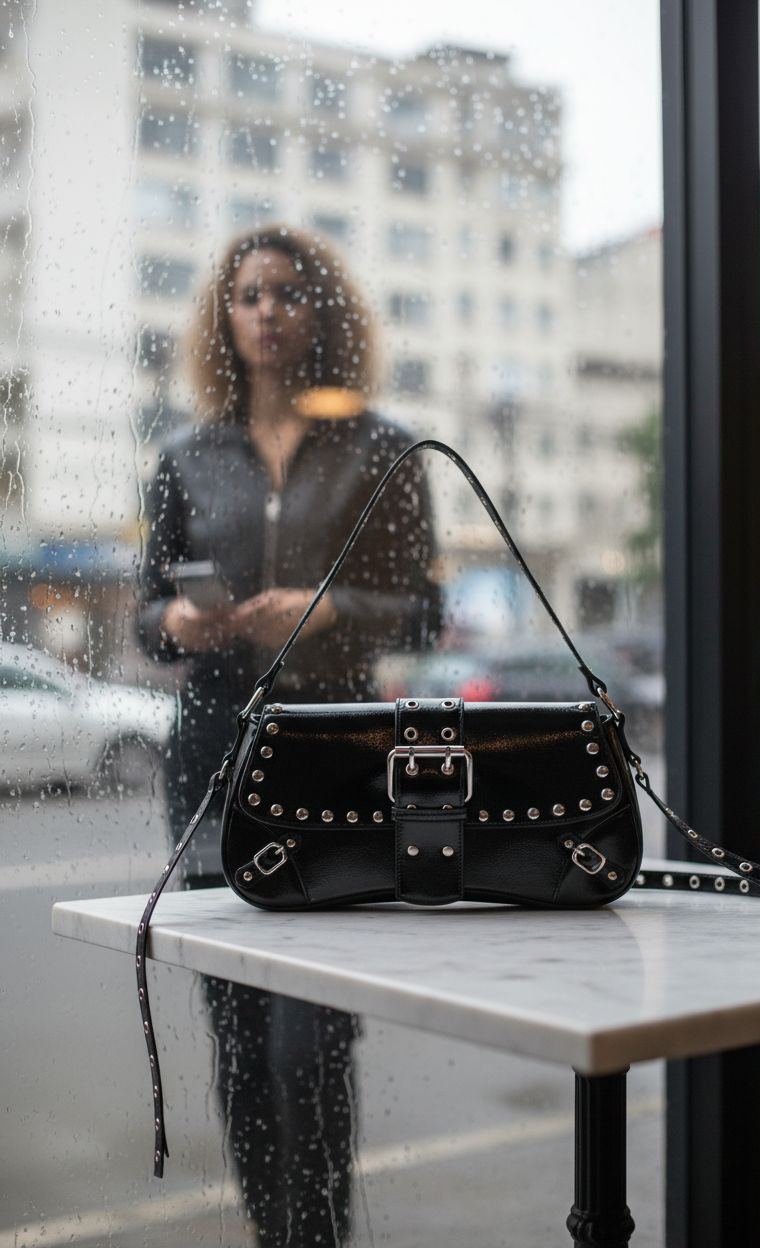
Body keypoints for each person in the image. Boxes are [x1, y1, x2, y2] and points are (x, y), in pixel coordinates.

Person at [137, 225, 441, 1244]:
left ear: (325, 311)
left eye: (288, 292)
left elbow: (423, 611)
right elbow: (146, 611)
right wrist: (175, 622)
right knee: (234, 1033)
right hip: (211, 749)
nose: (268, 311)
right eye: (248, 294)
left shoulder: (380, 445)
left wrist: (327, 611)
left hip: (332, 746)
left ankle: (320, 1237)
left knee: (306, 1041)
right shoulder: (187, 456)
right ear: (223, 317)